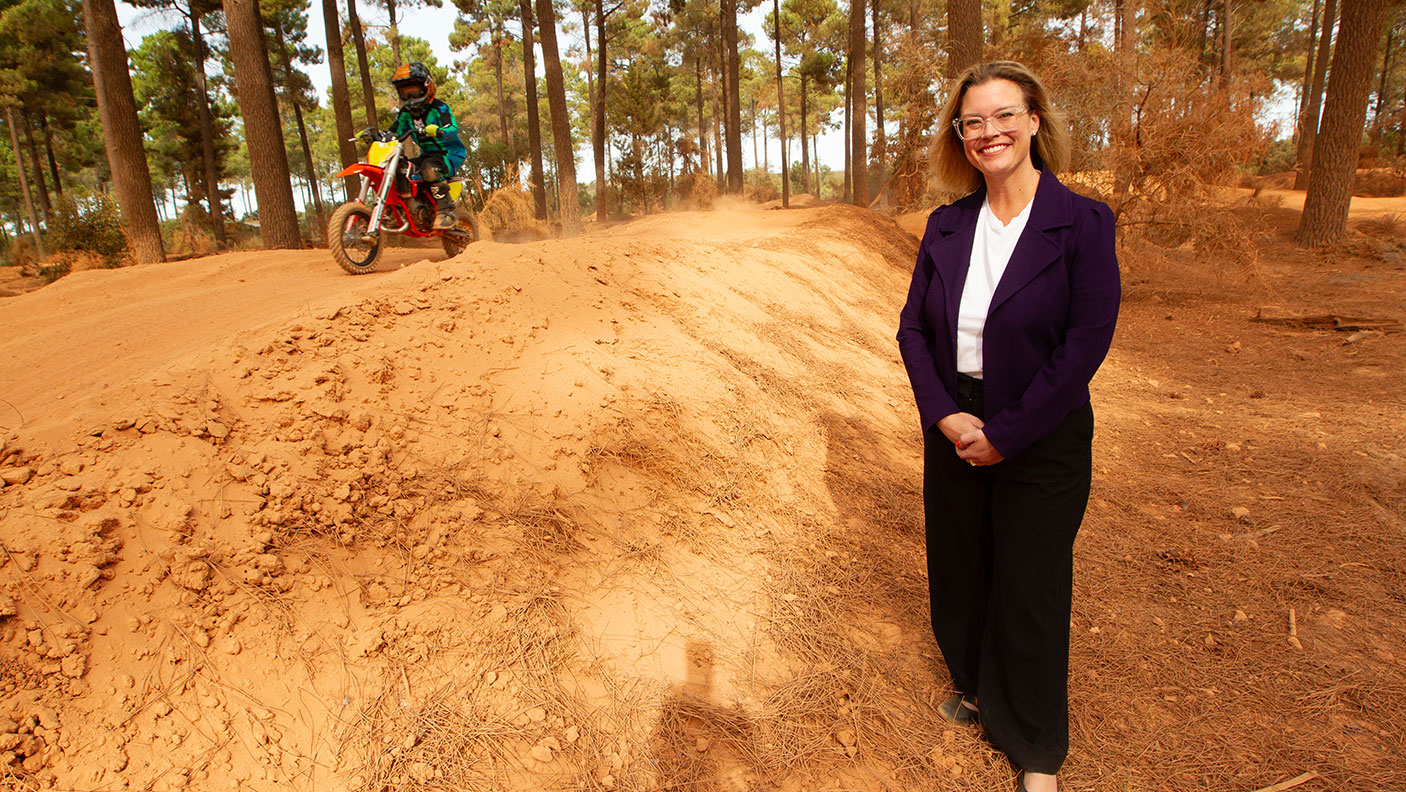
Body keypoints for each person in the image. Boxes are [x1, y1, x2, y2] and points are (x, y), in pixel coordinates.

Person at [895, 61, 1121, 792]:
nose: (988, 132)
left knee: (1030, 584)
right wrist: (946, 413)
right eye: (972, 122)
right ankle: (974, 684)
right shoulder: (947, 225)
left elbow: (1084, 343)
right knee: (962, 567)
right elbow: (911, 332)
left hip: (1043, 425)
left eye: (1002, 116)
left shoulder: (1081, 222)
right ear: (958, 137)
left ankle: (1034, 749)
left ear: (1033, 121)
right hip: (956, 418)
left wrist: (1009, 432)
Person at [389, 62, 467, 230]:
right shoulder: (405, 114)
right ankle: (409, 208)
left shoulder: (439, 108)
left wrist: (438, 131)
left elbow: (452, 129)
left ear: (426, 86)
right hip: (426, 155)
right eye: (405, 92)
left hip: (449, 154)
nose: (410, 97)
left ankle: (446, 211)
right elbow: (394, 132)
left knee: (429, 168)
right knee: (402, 167)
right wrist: (376, 135)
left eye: (414, 91)